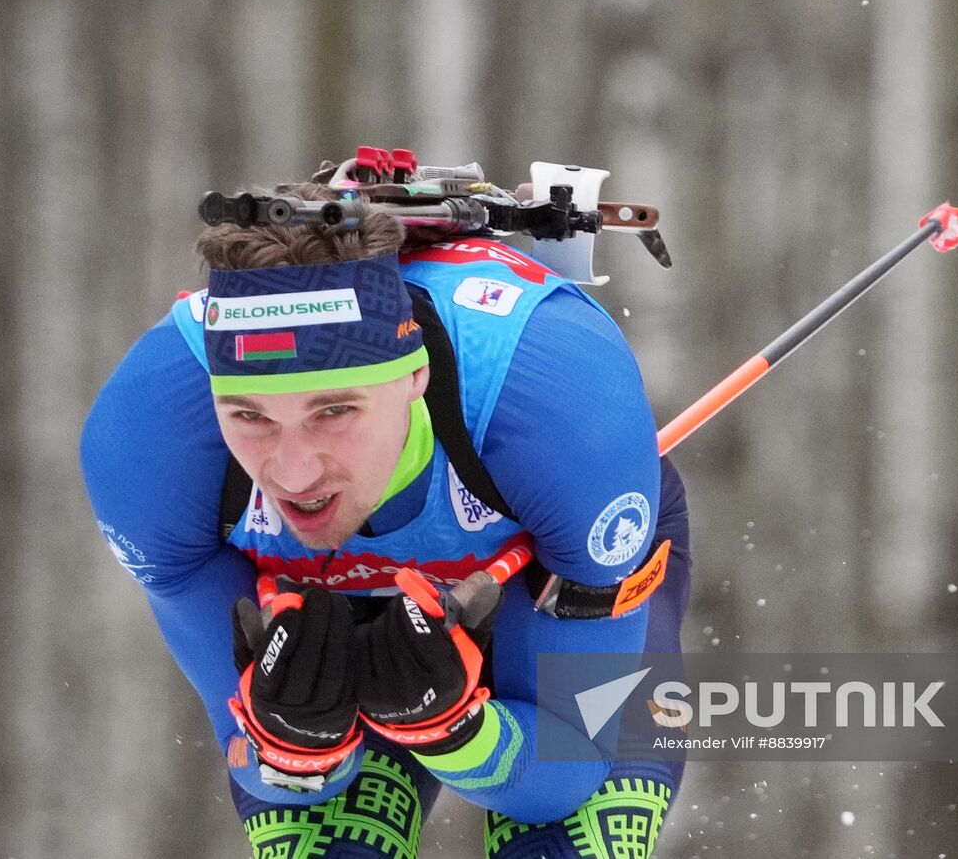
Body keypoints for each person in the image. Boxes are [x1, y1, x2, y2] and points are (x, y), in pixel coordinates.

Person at [80, 180, 693, 858]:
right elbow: (266, 772)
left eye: (334, 412)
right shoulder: (147, 444)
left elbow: (568, 772)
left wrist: (459, 733)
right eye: (250, 417)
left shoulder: (563, 416)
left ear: (413, 377)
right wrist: (295, 746)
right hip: (325, 613)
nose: (292, 472)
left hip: (535, 575)